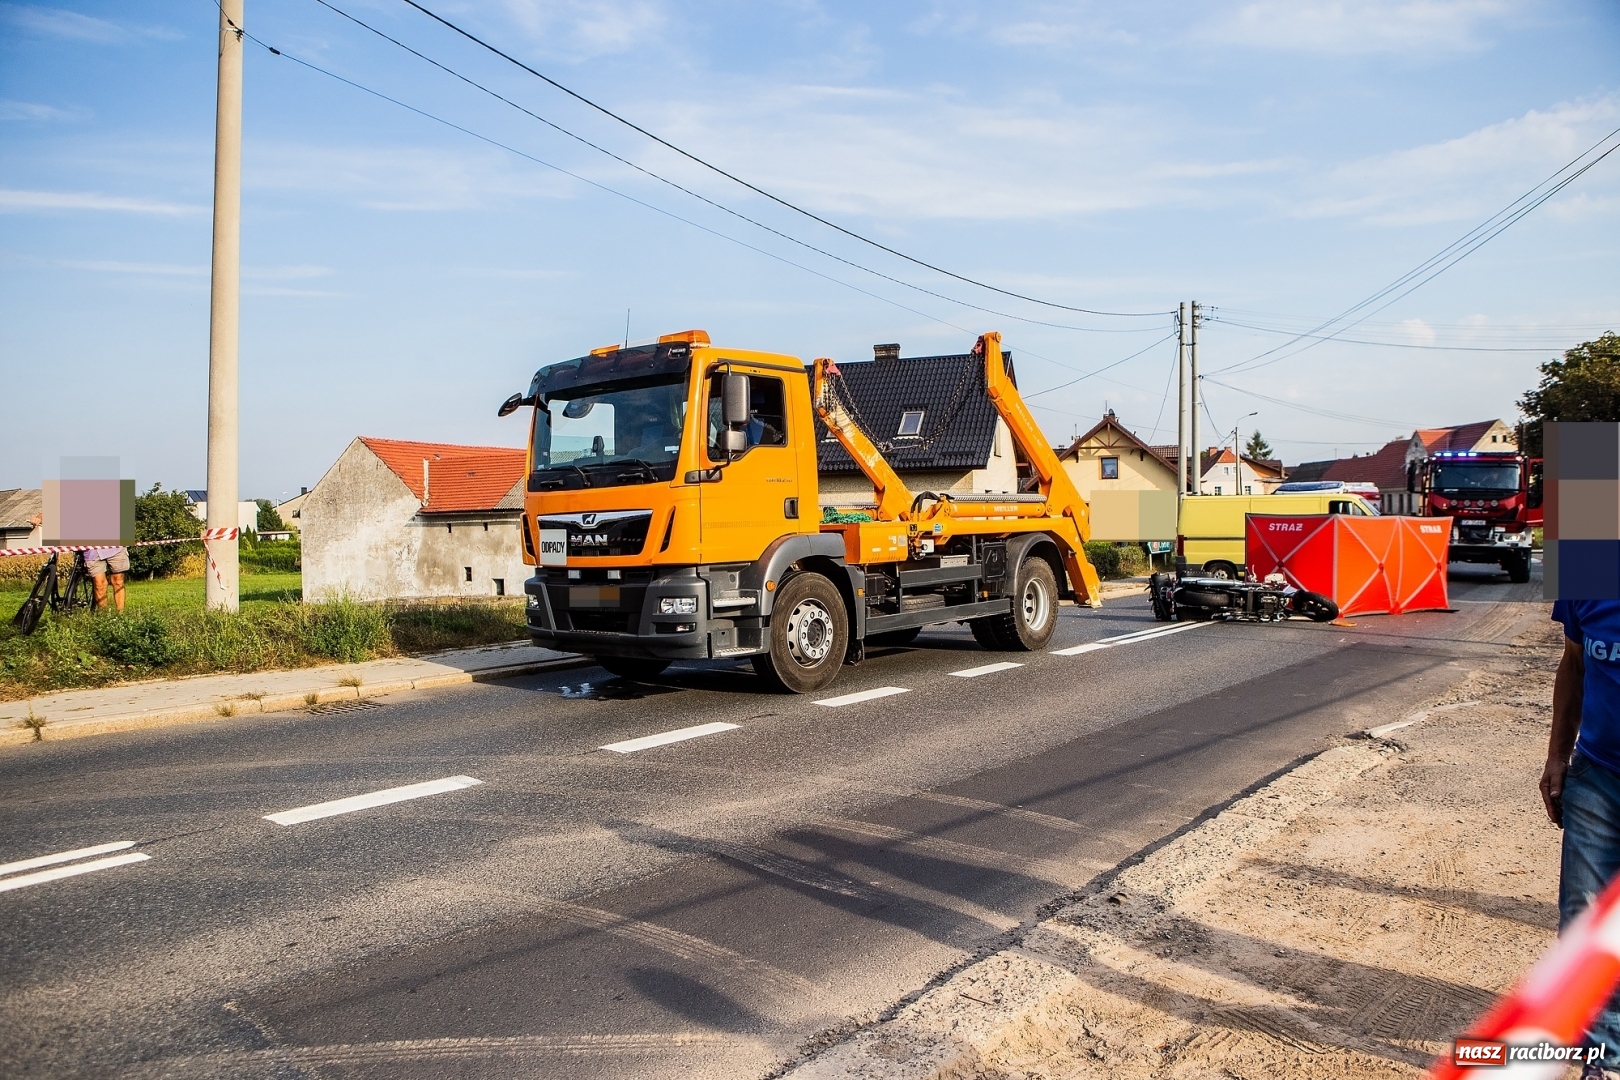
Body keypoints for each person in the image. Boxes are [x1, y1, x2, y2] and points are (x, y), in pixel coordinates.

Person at [1542, 599, 1620, 1078]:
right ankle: (1604, 1058)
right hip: (1598, 774)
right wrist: (1557, 756)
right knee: (1584, 917)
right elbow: (1573, 665)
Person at [32, 512, 128, 612]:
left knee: (118, 580)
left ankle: (120, 615)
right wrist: (38, 518)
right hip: (91, 548)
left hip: (115, 544)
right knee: (99, 584)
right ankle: (104, 618)